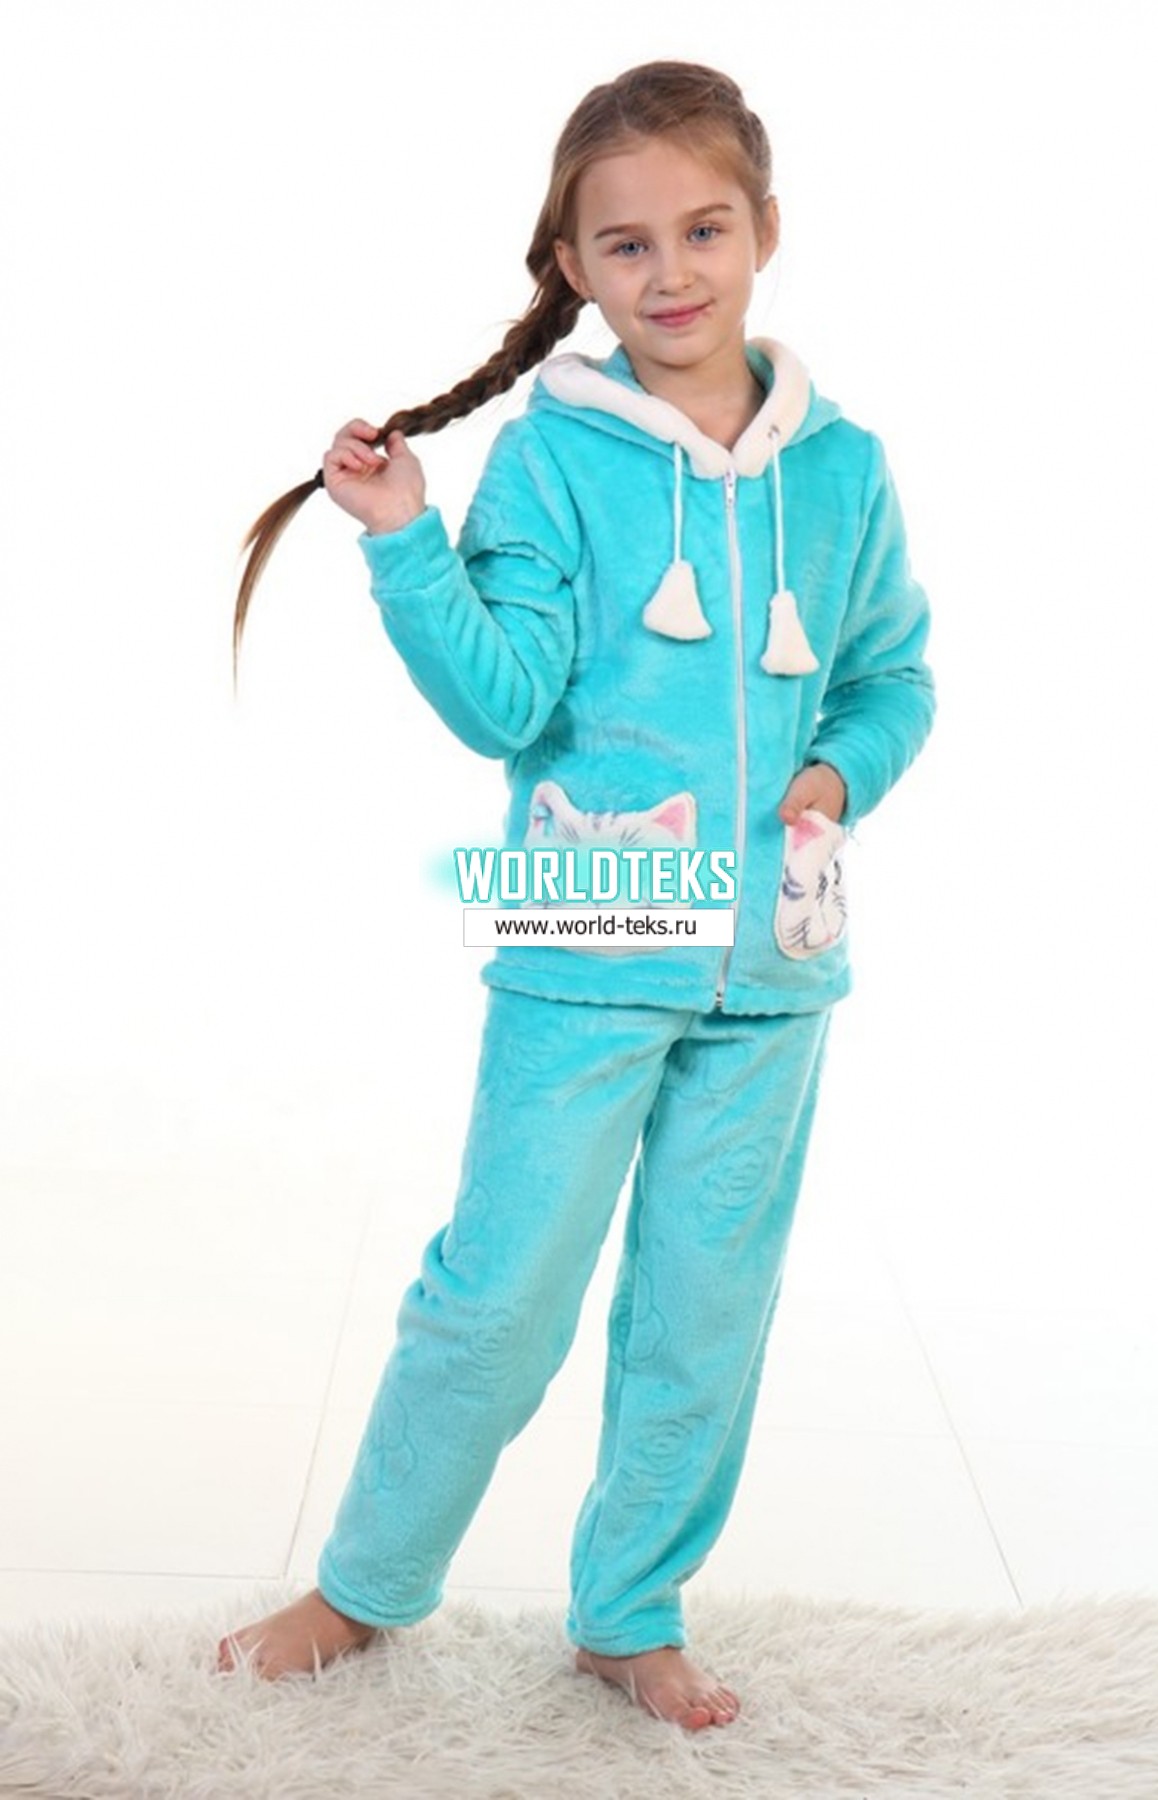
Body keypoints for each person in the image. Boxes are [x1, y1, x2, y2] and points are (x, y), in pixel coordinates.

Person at [217, 59, 935, 1731]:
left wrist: (839, 778)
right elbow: (505, 705)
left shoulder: (845, 469)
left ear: (766, 231)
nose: (671, 273)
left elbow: (892, 676)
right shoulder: (551, 463)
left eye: (704, 230)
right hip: (590, 942)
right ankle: (365, 1587)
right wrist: (406, 539)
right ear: (572, 266)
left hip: (773, 970)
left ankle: (629, 1610)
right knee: (502, 1294)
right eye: (626, 245)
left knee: (705, 1314)